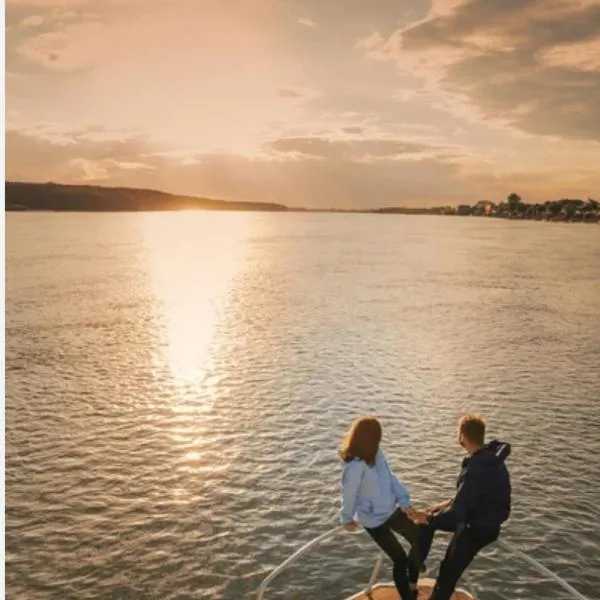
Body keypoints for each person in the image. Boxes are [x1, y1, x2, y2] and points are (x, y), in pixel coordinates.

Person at [411, 414, 511, 600]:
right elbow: (479, 494)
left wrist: (428, 518)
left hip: (476, 528)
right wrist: (446, 504)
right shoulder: (494, 460)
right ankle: (416, 567)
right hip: (490, 522)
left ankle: (414, 570)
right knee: (431, 518)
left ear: (462, 438)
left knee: (448, 573)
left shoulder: (475, 469)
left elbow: (457, 515)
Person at [339, 416, 421, 600]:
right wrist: (346, 519)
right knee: (400, 559)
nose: (380, 440)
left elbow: (390, 479)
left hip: (391, 511)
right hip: (374, 520)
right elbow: (348, 494)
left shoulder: (377, 454)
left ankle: (412, 583)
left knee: (419, 537)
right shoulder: (354, 467)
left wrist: (404, 501)